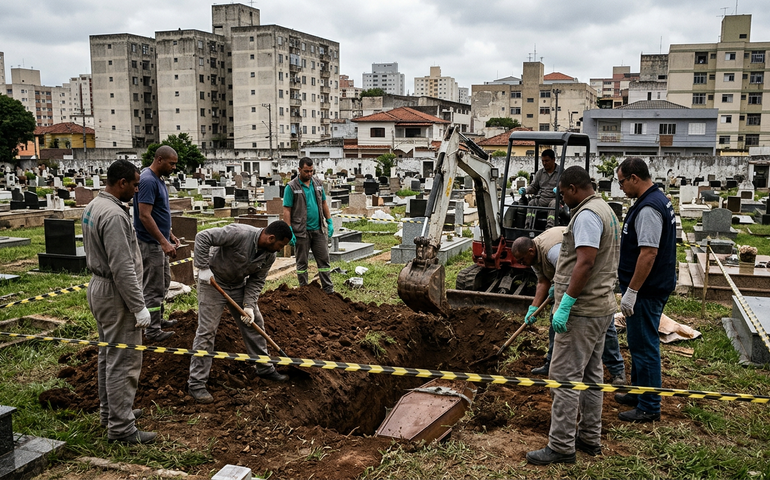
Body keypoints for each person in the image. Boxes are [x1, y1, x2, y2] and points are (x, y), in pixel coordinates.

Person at [526, 166, 620, 465]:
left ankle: (561, 446)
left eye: (563, 192)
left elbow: (586, 261)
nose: (562, 198)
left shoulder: (588, 215)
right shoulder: (604, 209)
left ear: (573, 188)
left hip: (582, 311)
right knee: (591, 376)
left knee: (564, 378)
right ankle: (589, 438)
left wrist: (566, 301)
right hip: (600, 307)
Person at [82, 160, 156, 445]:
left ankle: (111, 412)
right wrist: (138, 306)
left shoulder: (94, 206)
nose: (138, 190)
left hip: (99, 287)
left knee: (107, 355)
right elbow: (122, 266)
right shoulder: (113, 215)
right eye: (135, 185)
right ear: (122, 182)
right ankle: (122, 428)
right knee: (123, 361)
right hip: (115, 293)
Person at [188, 221, 293, 404]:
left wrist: (249, 306)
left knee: (254, 324)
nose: (280, 249)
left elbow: (257, 280)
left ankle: (264, 368)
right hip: (213, 282)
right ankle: (196, 383)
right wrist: (203, 268)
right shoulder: (239, 233)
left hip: (237, 286)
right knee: (207, 331)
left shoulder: (269, 256)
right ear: (271, 238)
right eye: (281, 245)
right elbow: (202, 237)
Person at [515, 233, 627, 387]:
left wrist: (558, 286)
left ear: (530, 251)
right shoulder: (533, 257)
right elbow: (542, 281)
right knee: (554, 320)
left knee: (604, 325)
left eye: (522, 260)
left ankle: (617, 371)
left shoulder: (552, 251)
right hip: (569, 284)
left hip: (593, 282)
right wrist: (533, 307)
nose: (522, 264)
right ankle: (550, 362)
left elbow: (574, 270)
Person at [614, 158, 676, 423]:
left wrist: (632, 291)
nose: (621, 188)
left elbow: (648, 253)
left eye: (621, 182)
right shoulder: (653, 199)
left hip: (647, 290)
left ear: (634, 178)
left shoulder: (650, 207)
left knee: (644, 345)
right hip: (650, 286)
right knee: (637, 341)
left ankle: (649, 405)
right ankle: (639, 392)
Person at [134, 145, 180, 342]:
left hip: (159, 241)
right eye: (171, 164)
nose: (174, 168)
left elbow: (158, 212)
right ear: (159, 159)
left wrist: (169, 234)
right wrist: (162, 241)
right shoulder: (147, 181)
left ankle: (158, 319)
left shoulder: (158, 180)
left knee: (163, 283)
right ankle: (151, 330)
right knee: (152, 287)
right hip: (150, 243)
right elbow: (144, 215)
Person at [283, 157, 334, 293]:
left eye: (312, 171)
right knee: (302, 264)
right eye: (306, 171)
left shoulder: (317, 184)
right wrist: (289, 229)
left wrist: (329, 221)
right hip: (301, 232)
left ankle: (328, 289)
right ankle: (304, 290)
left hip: (318, 230)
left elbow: (323, 203)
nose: (309, 174)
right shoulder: (292, 187)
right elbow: (287, 209)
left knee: (324, 262)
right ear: (299, 170)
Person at [519, 149, 561, 229]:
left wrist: (559, 190)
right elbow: (533, 186)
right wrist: (525, 190)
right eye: (543, 161)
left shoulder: (561, 172)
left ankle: (549, 228)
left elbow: (566, 187)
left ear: (554, 160)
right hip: (542, 198)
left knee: (554, 205)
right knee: (531, 203)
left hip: (554, 199)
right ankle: (528, 227)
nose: (544, 163)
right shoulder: (540, 173)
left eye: (547, 161)